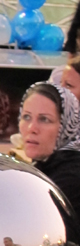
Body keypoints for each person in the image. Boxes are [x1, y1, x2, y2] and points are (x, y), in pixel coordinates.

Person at [19, 81, 80, 224]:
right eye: (26, 117)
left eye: (44, 119)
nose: (31, 128)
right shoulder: (46, 165)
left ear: (66, 126)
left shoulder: (71, 177)